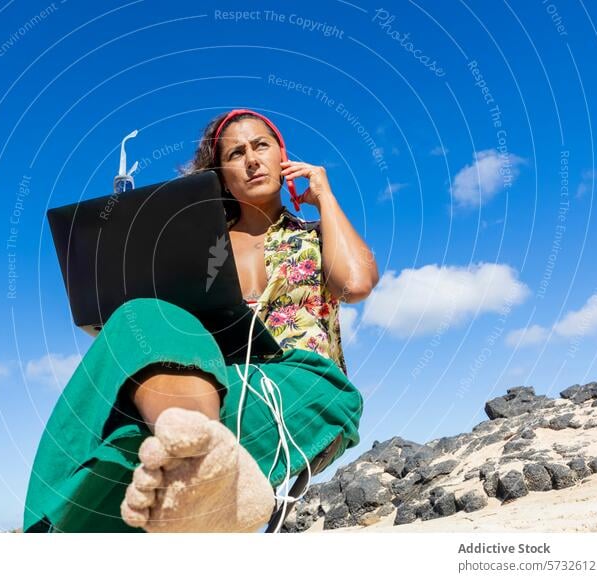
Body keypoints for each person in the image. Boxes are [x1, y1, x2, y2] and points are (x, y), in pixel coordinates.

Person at [23, 109, 378, 533]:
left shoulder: (314, 231)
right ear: (220, 174)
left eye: (261, 145)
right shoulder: (196, 246)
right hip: (217, 384)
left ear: (282, 155)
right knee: (124, 447)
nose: (251, 159)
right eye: (236, 153)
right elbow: (139, 334)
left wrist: (324, 196)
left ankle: (204, 463)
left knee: (143, 461)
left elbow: (355, 283)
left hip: (307, 384)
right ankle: (197, 465)